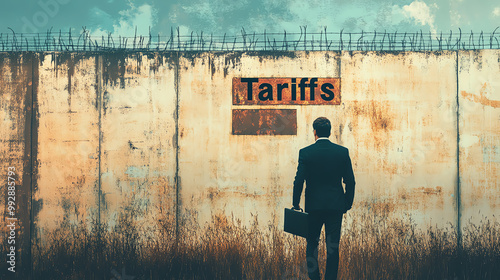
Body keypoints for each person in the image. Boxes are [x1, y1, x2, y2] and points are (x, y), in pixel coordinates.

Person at [292, 117, 356, 280]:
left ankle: (315, 278)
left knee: (312, 245)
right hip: (335, 206)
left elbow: (299, 180)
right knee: (333, 247)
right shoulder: (342, 152)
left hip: (313, 207)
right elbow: (350, 181)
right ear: (330, 132)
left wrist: (296, 203)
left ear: (315, 132)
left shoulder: (305, 153)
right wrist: (347, 204)